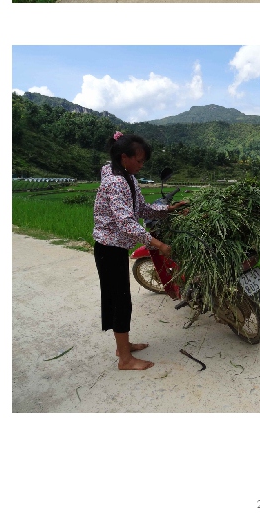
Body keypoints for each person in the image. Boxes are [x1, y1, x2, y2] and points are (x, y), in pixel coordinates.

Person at [93, 132, 189, 371]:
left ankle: (123, 346)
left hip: (116, 248)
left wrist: (170, 209)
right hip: (109, 249)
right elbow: (126, 222)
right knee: (120, 302)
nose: (141, 165)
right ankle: (125, 360)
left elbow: (142, 209)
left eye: (143, 161)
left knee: (120, 299)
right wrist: (158, 244)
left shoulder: (128, 177)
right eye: (139, 160)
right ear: (123, 157)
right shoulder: (115, 183)